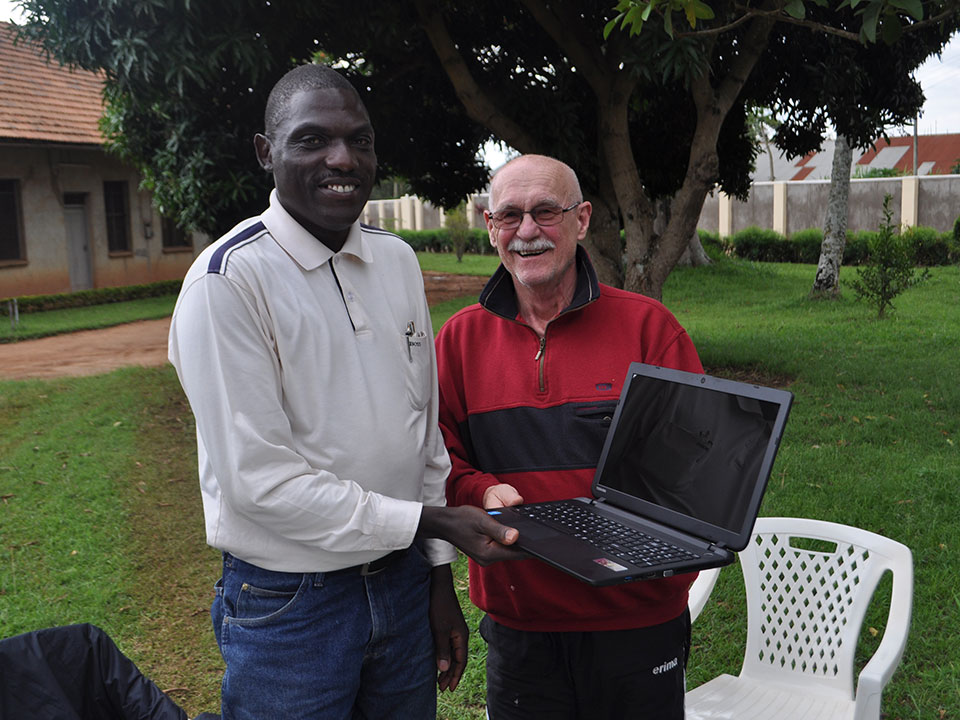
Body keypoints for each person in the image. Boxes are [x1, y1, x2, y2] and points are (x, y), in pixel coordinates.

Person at [167, 63, 519, 720]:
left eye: (359, 140)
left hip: (404, 581)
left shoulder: (396, 261)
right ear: (266, 153)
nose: (343, 158)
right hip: (290, 606)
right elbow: (260, 482)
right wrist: (429, 524)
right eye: (312, 140)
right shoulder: (227, 283)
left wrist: (437, 572)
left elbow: (422, 429)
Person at [435, 154, 704, 719]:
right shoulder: (459, 341)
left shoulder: (650, 329)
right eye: (509, 215)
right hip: (520, 622)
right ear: (490, 227)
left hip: (636, 620)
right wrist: (477, 488)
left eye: (545, 212)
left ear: (581, 220)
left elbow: (693, 468)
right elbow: (436, 457)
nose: (527, 231)